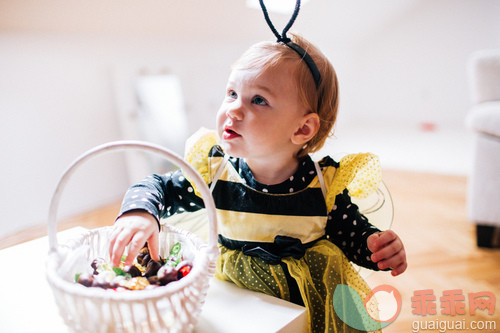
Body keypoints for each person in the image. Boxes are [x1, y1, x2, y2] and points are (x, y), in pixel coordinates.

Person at [109, 33, 407, 332]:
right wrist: (140, 213)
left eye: (259, 100)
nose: (233, 109)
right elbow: (159, 187)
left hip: (303, 306)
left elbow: (350, 234)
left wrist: (374, 248)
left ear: (303, 128)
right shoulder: (215, 173)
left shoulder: (323, 186)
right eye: (231, 93)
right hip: (235, 300)